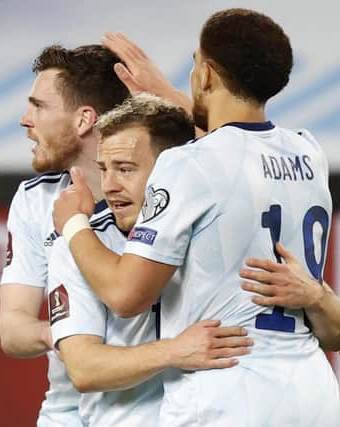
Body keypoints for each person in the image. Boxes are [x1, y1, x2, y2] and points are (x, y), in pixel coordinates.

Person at [54, 8, 340, 426]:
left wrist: (75, 225)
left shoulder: (184, 165)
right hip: (311, 392)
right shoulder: (309, 152)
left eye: (194, 65)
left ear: (206, 75)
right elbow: (238, 146)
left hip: (228, 392)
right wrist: (167, 95)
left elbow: (125, 294)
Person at [48, 93, 254, 426]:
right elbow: (83, 367)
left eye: (125, 169)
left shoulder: (215, 234)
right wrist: (175, 351)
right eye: (104, 169)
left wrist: (320, 301)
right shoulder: (79, 244)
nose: (110, 186)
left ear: (171, 172)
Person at [0, 44, 130, 426]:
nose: (25, 119)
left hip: (154, 407)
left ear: (84, 119)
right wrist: (74, 335)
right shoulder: (34, 200)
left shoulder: (162, 192)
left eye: (39, 106)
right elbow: (13, 330)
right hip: (67, 412)